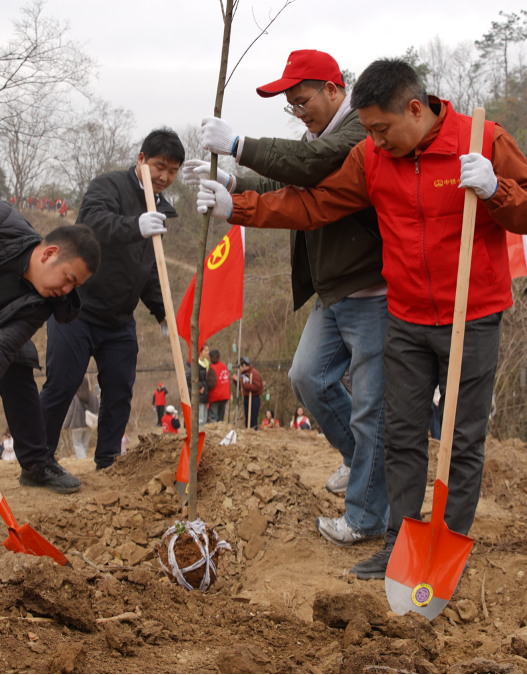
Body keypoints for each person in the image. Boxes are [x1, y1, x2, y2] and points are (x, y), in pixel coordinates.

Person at [195, 57, 527, 579]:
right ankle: (401, 544)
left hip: (473, 314)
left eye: (380, 129)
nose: (372, 139)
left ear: (414, 109)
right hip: (407, 315)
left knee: (462, 438)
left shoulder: (481, 140)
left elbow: (526, 207)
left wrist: (496, 191)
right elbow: (315, 205)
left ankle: (447, 549)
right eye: (366, 130)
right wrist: (240, 207)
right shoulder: (372, 156)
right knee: (401, 432)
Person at [186, 49, 388, 549]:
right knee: (307, 378)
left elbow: (310, 166)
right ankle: (354, 459)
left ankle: (366, 517)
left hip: (374, 290)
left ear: (334, 89)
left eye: (303, 101)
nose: (300, 113)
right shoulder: (315, 138)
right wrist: (231, 184)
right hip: (333, 290)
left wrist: (239, 144)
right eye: (292, 107)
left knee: (370, 407)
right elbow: (285, 179)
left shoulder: (359, 133)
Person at [40, 128, 185, 471]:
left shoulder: (161, 208)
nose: (164, 176)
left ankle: (108, 462)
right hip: (77, 310)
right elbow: (93, 225)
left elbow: (148, 269)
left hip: (120, 320)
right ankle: (39, 461)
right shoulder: (107, 186)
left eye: (172, 171)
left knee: (119, 390)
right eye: (158, 166)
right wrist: (136, 225)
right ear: (140, 159)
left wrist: (162, 312)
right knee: (62, 385)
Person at [0, 202, 100, 491]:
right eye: (68, 279)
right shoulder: (6, 224)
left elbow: (6, 344)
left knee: (19, 358)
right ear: (49, 254)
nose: (67, 290)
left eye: (75, 286)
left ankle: (36, 464)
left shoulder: (45, 301)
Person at [62, 377, 100, 459]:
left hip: (76, 425)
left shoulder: (74, 397)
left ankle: (83, 459)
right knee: (84, 444)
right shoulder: (93, 396)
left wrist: (64, 425)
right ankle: (83, 459)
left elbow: (70, 413)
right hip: (89, 425)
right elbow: (98, 408)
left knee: (78, 444)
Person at [232, 357, 263, 429]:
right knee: (247, 418)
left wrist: (244, 384)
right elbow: (242, 387)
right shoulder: (244, 374)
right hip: (246, 397)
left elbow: (256, 387)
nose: (237, 369)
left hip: (254, 398)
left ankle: (253, 432)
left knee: (252, 419)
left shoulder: (254, 373)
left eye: (238, 367)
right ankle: (248, 430)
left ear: (244, 366)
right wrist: (236, 381)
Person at [207, 349, 230, 422]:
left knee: (213, 419)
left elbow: (211, 384)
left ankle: (213, 434)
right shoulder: (224, 366)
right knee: (221, 419)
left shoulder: (212, 368)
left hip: (215, 397)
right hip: (224, 396)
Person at [186, 359, 209, 428]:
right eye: (206, 350)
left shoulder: (205, 363)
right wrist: (199, 387)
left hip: (204, 394)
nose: (207, 352)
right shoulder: (194, 365)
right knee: (200, 419)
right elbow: (188, 377)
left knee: (204, 418)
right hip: (198, 396)